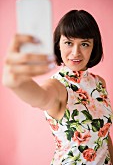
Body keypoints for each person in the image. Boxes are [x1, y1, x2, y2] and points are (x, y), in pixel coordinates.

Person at [2, 10, 113, 165]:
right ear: (58, 44)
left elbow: (104, 135)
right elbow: (41, 97)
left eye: (84, 44)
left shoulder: (99, 83)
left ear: (94, 47)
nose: (76, 52)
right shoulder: (58, 86)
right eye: (69, 43)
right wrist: (17, 82)